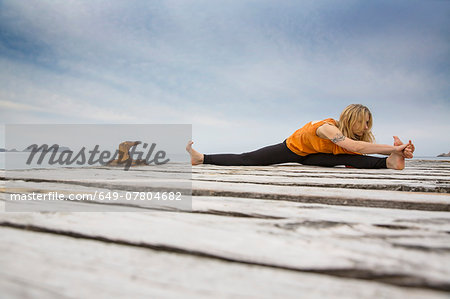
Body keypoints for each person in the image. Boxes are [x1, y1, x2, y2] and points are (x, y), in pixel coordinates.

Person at [186, 104, 415, 170]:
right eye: (363, 122)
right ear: (350, 118)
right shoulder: (328, 128)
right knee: (249, 159)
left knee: (350, 159)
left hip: (315, 156)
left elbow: (358, 149)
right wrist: (393, 147)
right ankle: (202, 158)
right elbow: (352, 144)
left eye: (368, 124)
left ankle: (389, 164)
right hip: (293, 149)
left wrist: (395, 153)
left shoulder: (355, 134)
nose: (365, 127)